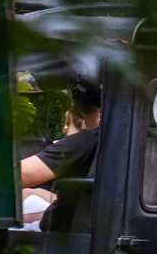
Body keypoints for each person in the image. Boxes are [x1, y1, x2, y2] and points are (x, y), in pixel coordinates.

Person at [19, 76, 101, 230]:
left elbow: (15, 176)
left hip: (57, 235)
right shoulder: (121, 141)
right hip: (81, 228)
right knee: (31, 198)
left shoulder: (85, 142)